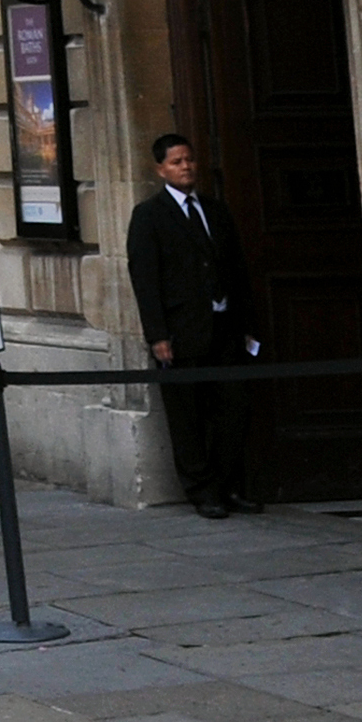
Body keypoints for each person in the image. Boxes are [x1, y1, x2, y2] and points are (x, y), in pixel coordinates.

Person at [127, 132, 259, 517]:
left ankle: (228, 485)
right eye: (175, 162)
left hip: (225, 328)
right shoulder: (149, 215)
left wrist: (247, 323)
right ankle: (201, 491)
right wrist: (158, 336)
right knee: (188, 415)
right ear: (160, 169)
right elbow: (145, 279)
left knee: (232, 410)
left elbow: (237, 269)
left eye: (189, 160)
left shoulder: (216, 210)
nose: (185, 167)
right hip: (182, 332)